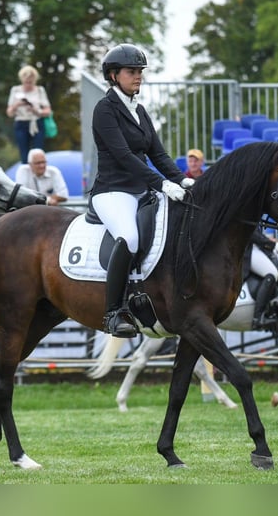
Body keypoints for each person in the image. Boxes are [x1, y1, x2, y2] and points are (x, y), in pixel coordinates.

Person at [91, 43, 192, 338]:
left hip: (141, 190)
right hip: (113, 191)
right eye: (132, 71)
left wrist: (183, 180)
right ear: (113, 75)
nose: (138, 77)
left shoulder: (141, 111)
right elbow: (124, 156)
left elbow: (158, 155)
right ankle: (113, 312)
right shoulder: (104, 110)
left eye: (140, 72)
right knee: (130, 237)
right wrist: (162, 184)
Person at [6, 65, 51, 163]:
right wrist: (17, 105)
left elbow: (48, 111)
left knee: (38, 154)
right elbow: (9, 112)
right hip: (21, 124)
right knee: (24, 156)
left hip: (37, 123)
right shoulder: (15, 90)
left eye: (30, 82)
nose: (28, 84)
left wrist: (36, 111)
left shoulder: (40, 90)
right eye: (26, 82)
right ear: (22, 80)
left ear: (34, 80)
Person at [248, 226, 278, 329]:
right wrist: (271, 244)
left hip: (255, 247)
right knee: (272, 273)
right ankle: (258, 318)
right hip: (247, 248)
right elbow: (252, 233)